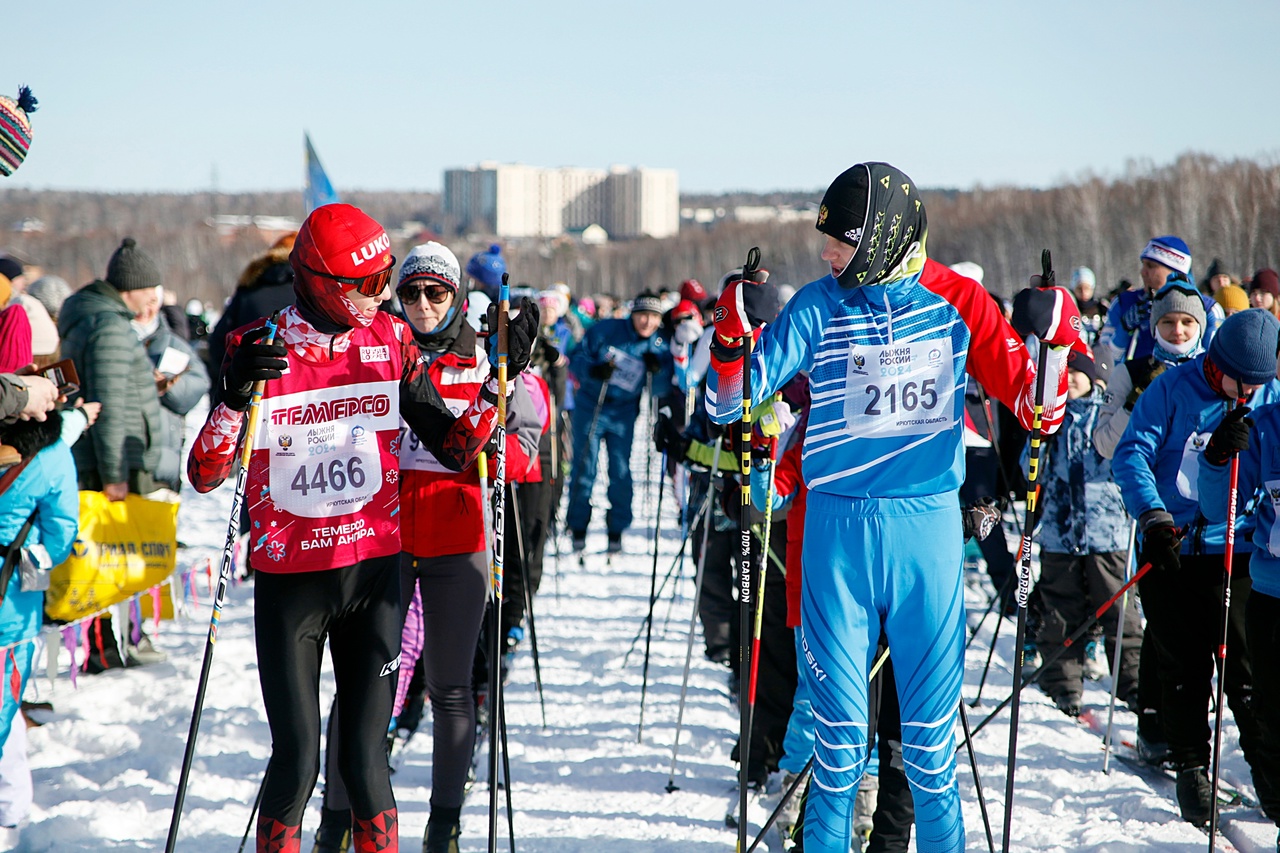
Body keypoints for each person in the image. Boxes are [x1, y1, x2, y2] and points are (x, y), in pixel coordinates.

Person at [705, 161, 1077, 852]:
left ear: (877, 240)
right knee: (838, 747)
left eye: (840, 242)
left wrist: (1055, 346)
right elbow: (727, 400)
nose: (825, 255)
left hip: (924, 539)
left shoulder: (960, 300)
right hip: (836, 538)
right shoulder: (818, 304)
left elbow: (1037, 410)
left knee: (932, 754)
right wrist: (730, 337)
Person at [187, 204, 538, 853]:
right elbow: (205, 474)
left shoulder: (391, 341)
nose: (383, 294)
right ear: (323, 282)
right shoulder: (257, 346)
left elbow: (458, 447)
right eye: (371, 283)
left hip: (375, 572)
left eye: (386, 279)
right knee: (297, 760)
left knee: (367, 761)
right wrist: (234, 400)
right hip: (292, 580)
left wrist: (497, 385)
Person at [310, 241, 539, 852]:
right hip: (381, 542)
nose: (422, 305)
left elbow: (520, 458)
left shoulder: (483, 360)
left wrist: (504, 395)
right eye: (409, 292)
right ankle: (336, 821)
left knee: (450, 688)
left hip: (455, 541)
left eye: (436, 293)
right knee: (365, 686)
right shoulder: (381, 352)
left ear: (457, 294)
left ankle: (445, 826)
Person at [1111, 308, 1280, 826]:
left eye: (1260, 382)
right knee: (1183, 666)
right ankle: (1191, 769)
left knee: (1248, 675)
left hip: (1238, 554)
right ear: (1218, 364)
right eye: (1241, 381)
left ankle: (1268, 776)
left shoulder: (1264, 398)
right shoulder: (1173, 390)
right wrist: (1153, 515)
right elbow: (1130, 455)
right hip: (1173, 550)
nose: (1249, 391)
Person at [1197, 318, 1280, 843]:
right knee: (1272, 711)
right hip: (1272, 597)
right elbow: (1216, 508)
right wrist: (1217, 457)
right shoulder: (1264, 428)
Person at [1027, 348, 1140, 716]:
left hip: (1106, 532)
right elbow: (1029, 474)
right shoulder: (1050, 419)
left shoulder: (1103, 415)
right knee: (1061, 612)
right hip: (1061, 535)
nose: (1072, 379)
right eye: (1066, 374)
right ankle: (1063, 682)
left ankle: (1133, 682)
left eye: (1078, 373)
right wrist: (1037, 438)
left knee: (1119, 611)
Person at [566, 290, 673, 553]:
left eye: (653, 317)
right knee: (584, 469)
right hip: (591, 406)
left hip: (623, 413)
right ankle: (578, 526)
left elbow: (659, 389)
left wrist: (656, 370)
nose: (647, 323)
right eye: (642, 316)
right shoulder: (606, 330)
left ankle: (617, 528)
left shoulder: (659, 343)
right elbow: (576, 360)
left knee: (621, 471)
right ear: (633, 315)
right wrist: (593, 370)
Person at [1097, 236, 1222, 370]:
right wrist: (1124, 329)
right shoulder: (1123, 303)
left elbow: (1215, 364)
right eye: (1143, 264)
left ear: (1174, 271)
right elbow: (1104, 364)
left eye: (1151, 266)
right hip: (1136, 387)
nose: (1143, 272)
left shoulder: (1209, 309)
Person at [206, 234, 298, 405]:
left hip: (250, 390)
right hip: (296, 391)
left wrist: (234, 383)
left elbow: (219, 343)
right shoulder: (309, 292)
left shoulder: (249, 287)